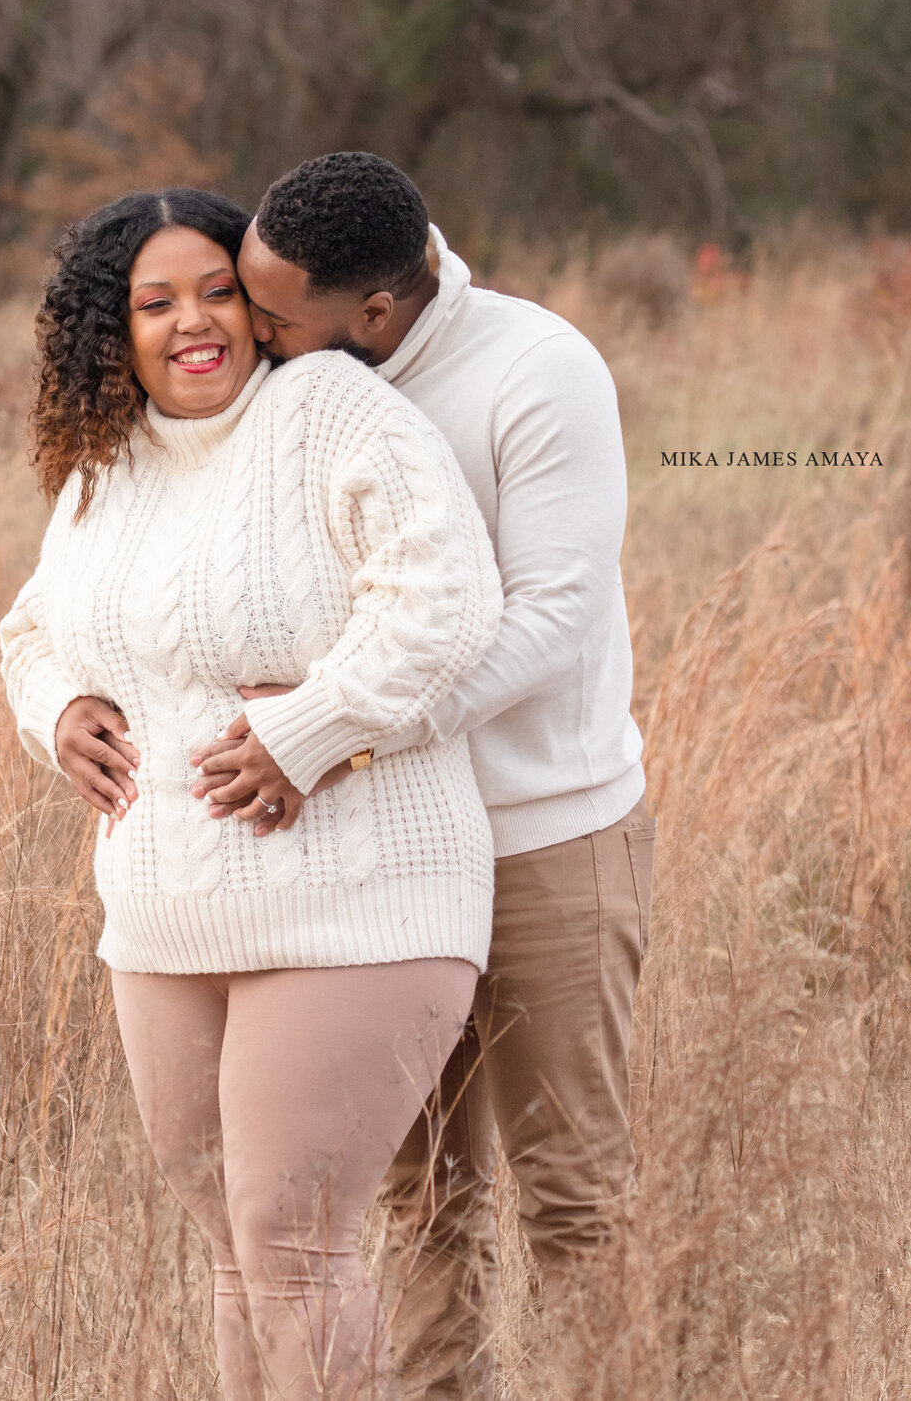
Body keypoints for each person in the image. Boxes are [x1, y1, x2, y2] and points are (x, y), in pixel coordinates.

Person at [0, 186, 505, 1399]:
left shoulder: (327, 412)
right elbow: (30, 628)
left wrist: (307, 727)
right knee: (235, 1253)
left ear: (259, 303)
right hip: (164, 917)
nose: (192, 323)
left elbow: (446, 602)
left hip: (354, 900)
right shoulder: (101, 464)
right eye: (153, 302)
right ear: (106, 330)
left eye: (217, 290)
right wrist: (57, 711)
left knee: (293, 1244)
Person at [210, 152, 654, 1401]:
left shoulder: (536, 370)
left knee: (572, 1196)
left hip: (544, 838)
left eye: (274, 311)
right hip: (389, 857)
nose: (249, 327)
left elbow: (553, 613)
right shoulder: (296, 387)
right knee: (417, 1194)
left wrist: (340, 729)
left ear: (377, 315)